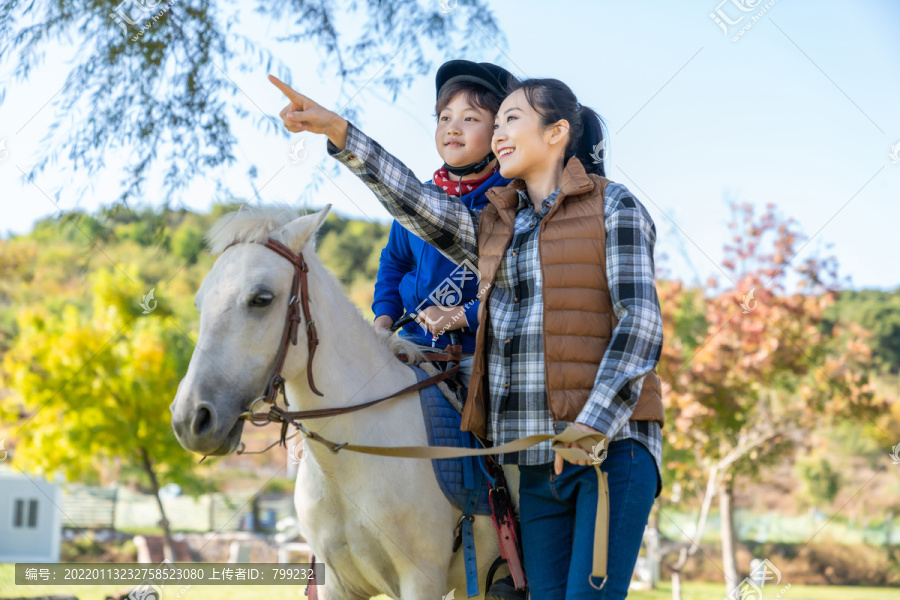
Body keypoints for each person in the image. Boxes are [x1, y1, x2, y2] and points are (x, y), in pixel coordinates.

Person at [270, 73, 666, 599]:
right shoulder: (498, 229)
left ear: (556, 133)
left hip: (610, 451)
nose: (498, 133)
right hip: (537, 459)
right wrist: (341, 133)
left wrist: (592, 425)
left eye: (511, 120)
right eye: (496, 123)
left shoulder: (616, 208)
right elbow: (414, 202)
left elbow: (639, 323)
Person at [372, 60, 514, 395]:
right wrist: (383, 320)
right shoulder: (417, 199)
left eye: (470, 118)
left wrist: (460, 315)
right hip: (411, 342)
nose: (452, 128)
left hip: (474, 351)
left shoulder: (508, 202)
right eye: (444, 118)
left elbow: (514, 288)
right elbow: (395, 263)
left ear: (498, 132)